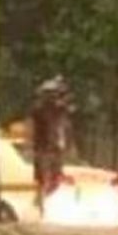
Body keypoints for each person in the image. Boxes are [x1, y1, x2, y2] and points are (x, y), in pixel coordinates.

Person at [30, 76, 74, 212]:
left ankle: (41, 203)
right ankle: (40, 203)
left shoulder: (58, 111)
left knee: (52, 179)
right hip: (44, 149)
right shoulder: (40, 111)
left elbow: (64, 129)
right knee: (45, 178)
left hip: (52, 149)